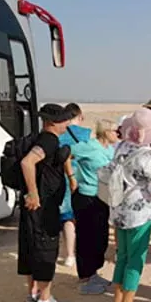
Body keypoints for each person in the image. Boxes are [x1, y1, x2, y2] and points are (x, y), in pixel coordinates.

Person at [109, 108, 151, 302]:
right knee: (135, 260)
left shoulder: (121, 147)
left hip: (119, 209)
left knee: (122, 256)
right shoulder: (148, 156)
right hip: (139, 214)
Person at [18, 103, 77, 302]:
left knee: (30, 246)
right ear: (53, 122)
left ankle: (33, 294)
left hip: (34, 205)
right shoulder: (49, 140)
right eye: (64, 120)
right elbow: (27, 163)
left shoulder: (39, 138)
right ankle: (45, 300)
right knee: (45, 248)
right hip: (43, 206)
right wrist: (34, 193)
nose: (67, 123)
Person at [70, 119, 118, 294]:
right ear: (106, 131)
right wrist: (72, 176)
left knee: (101, 238)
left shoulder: (110, 149)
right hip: (86, 196)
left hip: (103, 198)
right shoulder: (88, 146)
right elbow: (66, 153)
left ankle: (93, 273)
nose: (118, 134)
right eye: (115, 130)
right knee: (86, 238)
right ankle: (85, 277)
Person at [57, 103, 91, 268]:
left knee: (68, 217)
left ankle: (70, 255)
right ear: (80, 116)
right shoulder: (86, 134)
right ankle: (83, 251)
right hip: (84, 178)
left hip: (64, 178)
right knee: (83, 217)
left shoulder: (60, 134)